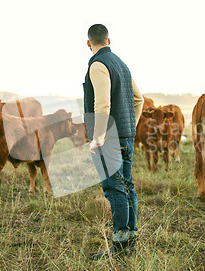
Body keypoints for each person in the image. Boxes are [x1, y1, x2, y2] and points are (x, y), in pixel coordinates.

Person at [83, 24, 144, 260]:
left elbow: (103, 103)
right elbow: (138, 99)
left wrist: (98, 137)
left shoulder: (98, 65)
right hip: (125, 136)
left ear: (88, 43)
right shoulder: (122, 64)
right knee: (127, 187)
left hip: (109, 138)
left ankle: (119, 249)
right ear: (109, 40)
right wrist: (131, 126)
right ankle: (130, 244)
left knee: (115, 189)